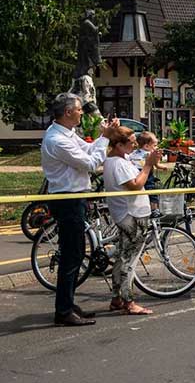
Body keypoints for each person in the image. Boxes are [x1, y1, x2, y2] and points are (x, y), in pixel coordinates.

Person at [41, 93, 119, 326]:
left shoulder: (66, 133)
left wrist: (103, 136)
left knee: (75, 253)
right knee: (71, 255)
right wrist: (105, 138)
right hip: (68, 199)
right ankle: (63, 310)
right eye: (78, 110)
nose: (81, 113)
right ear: (67, 112)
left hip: (75, 198)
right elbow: (90, 163)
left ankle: (68, 304)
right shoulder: (57, 139)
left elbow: (88, 149)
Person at [102, 126, 161, 315]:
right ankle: (128, 301)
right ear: (119, 145)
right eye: (132, 142)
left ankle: (116, 298)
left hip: (129, 214)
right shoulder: (118, 163)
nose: (135, 145)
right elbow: (135, 185)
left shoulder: (117, 160)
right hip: (132, 216)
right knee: (130, 260)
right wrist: (148, 165)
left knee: (122, 257)